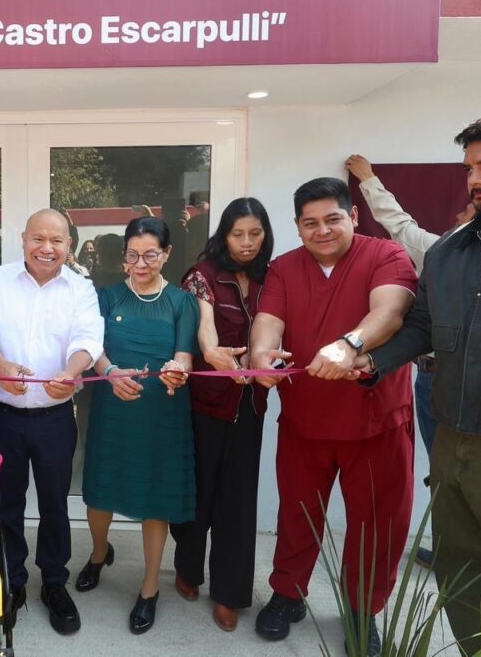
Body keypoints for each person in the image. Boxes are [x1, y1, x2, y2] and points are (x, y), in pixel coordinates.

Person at [361, 110, 481, 656]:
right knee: (462, 583)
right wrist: (371, 362)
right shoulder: (451, 249)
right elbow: (422, 325)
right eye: (470, 167)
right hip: (452, 451)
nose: (475, 179)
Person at [249, 178, 417, 653]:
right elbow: (269, 321)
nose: (321, 231)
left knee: (377, 523)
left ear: (353, 216)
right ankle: (288, 594)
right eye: (310, 223)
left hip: (376, 419)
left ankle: (362, 610)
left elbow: (391, 312)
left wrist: (350, 343)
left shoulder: (385, 255)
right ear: (297, 226)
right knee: (297, 513)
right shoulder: (284, 268)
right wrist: (261, 355)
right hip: (305, 419)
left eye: (332, 219)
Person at [0, 208, 104, 635]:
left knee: (54, 503)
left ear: (69, 245)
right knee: (5, 503)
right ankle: (11, 581)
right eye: (38, 239)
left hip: (56, 417)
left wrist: (72, 372)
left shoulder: (81, 288)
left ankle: (54, 582)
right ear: (23, 240)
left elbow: (88, 339)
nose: (47, 248)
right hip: (3, 417)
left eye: (57, 241)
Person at [346, 154, 475, 567]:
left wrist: (369, 179)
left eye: (466, 211)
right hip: (430, 377)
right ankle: (449, 553)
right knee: (442, 467)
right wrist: (372, 360)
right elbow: (419, 326)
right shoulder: (440, 251)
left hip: (474, 382)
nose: (459, 214)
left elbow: (398, 223)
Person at [77, 217, 197, 634]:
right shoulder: (106, 297)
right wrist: (109, 372)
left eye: (150, 255)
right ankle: (98, 553)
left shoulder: (182, 302)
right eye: (133, 255)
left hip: (162, 413)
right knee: (100, 493)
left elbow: (185, 355)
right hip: (114, 407)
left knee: (155, 498)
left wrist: (177, 371)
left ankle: (149, 588)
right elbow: (92, 348)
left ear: (167, 254)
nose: (140, 264)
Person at [169, 198, 275, 632]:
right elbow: (204, 325)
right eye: (237, 234)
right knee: (198, 494)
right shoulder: (203, 275)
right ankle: (188, 568)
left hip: (250, 404)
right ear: (224, 235)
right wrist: (213, 353)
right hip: (205, 403)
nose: (246, 242)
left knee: (238, 501)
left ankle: (230, 592)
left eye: (255, 233)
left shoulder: (274, 277)